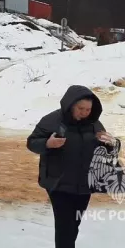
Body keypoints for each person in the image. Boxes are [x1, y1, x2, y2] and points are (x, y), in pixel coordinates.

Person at [26, 85, 118, 248]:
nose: (85, 112)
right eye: (81, 108)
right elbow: (32, 142)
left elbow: (107, 150)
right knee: (64, 226)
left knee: (74, 224)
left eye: (88, 109)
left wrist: (111, 144)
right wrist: (47, 143)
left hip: (84, 184)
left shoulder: (95, 123)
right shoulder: (52, 120)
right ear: (70, 105)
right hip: (58, 182)